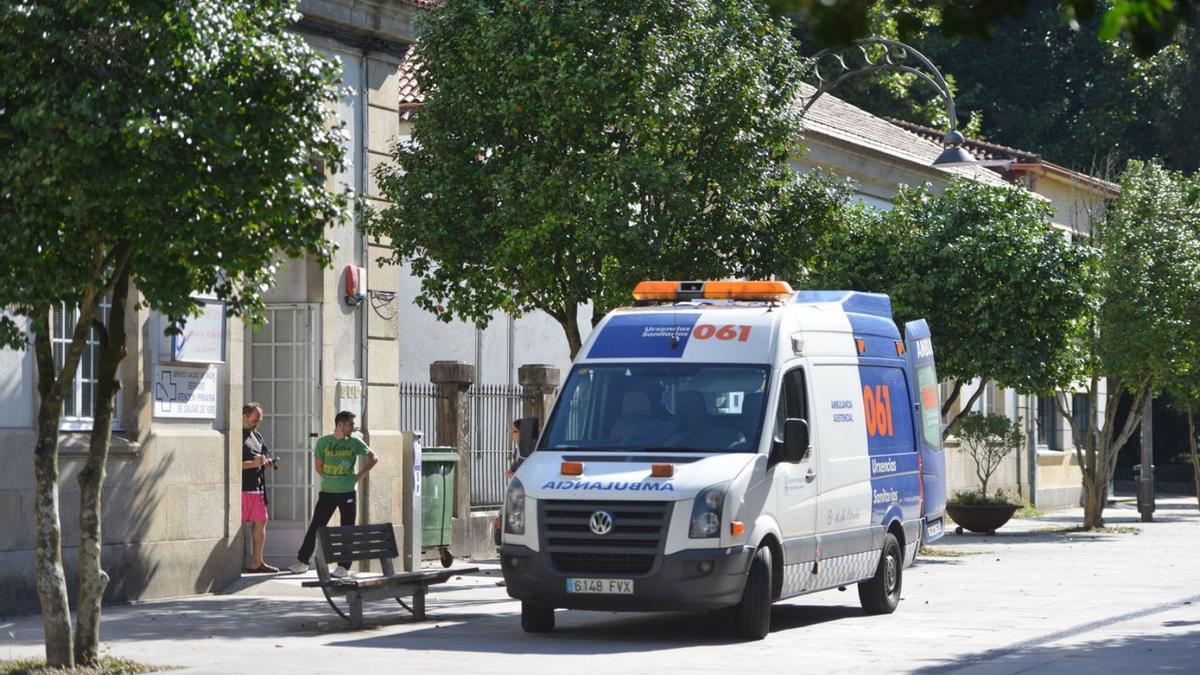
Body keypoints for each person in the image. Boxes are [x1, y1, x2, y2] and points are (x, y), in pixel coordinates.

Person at [289, 411, 379, 577]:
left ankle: (343, 567)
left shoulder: (355, 442)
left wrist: (359, 476)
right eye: (350, 424)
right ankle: (303, 562)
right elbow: (318, 466)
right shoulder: (324, 441)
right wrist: (331, 478)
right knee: (316, 526)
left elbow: (374, 458)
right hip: (328, 493)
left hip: (348, 493)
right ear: (340, 424)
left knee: (347, 529)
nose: (354, 427)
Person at [241, 403, 280, 574]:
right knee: (238, 526)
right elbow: (230, 464)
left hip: (257, 488)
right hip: (241, 488)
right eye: (255, 420)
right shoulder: (236, 435)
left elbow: (262, 458)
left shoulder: (256, 435)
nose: (257, 423)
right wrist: (253, 463)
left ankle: (257, 562)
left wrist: (267, 463)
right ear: (244, 416)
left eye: (259, 420)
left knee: (261, 522)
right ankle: (233, 563)